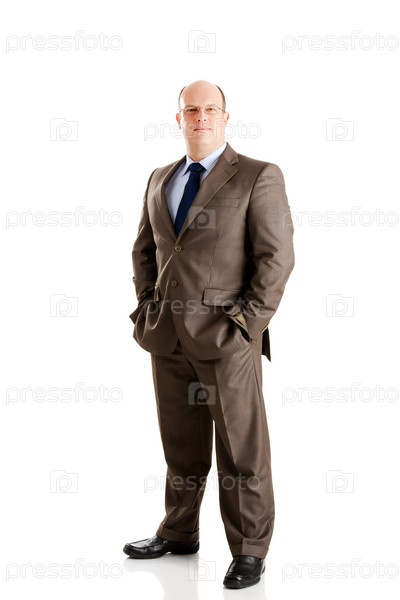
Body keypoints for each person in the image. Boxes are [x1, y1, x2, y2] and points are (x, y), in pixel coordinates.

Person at [123, 80, 295, 590]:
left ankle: (249, 549)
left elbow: (276, 258)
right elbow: (146, 251)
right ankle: (179, 531)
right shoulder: (160, 177)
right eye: (191, 109)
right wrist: (148, 307)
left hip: (227, 339)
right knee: (181, 443)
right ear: (179, 118)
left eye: (211, 109)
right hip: (167, 336)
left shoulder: (259, 175)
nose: (201, 117)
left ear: (225, 116)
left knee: (242, 451)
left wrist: (245, 325)